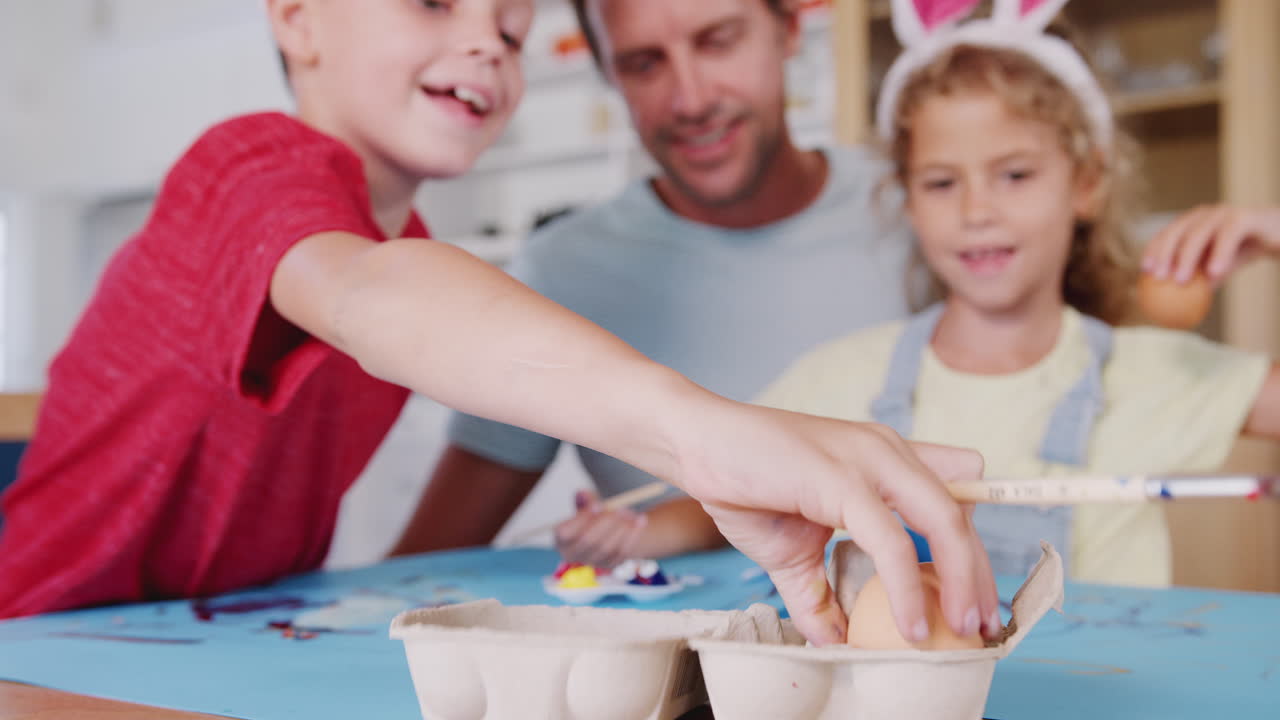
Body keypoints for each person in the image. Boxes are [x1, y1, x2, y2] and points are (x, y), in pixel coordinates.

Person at [0, 0, 1000, 646]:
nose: (483, 38)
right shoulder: (246, 170)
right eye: (436, 2)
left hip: (194, 643)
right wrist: (706, 432)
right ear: (297, 18)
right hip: (36, 643)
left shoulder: (411, 237)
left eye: (510, 29)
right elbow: (370, 295)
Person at [756, 0, 1280, 587]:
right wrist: (639, 532)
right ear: (906, 199)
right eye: (941, 182)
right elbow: (720, 494)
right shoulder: (839, 379)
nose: (977, 211)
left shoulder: (1154, 375)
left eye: (1015, 175)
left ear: (1085, 184)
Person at [394, 0, 916, 570]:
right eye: (644, 63)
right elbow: (421, 568)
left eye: (718, 41)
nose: (690, 101)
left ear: (789, 27)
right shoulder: (561, 274)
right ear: (607, 76)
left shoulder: (928, 218)